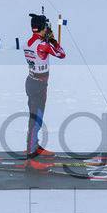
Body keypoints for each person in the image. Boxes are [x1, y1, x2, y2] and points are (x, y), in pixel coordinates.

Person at [22, 12, 65, 169]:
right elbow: (61, 54)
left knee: (34, 118)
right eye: (46, 27)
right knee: (36, 120)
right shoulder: (43, 44)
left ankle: (35, 147)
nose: (47, 28)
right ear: (42, 28)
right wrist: (52, 39)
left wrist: (46, 36)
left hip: (32, 82)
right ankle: (30, 157)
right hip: (39, 85)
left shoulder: (29, 42)